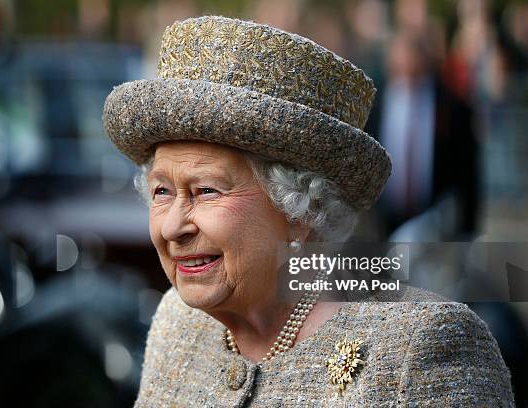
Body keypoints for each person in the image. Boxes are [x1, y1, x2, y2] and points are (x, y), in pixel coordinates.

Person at [103, 16, 514, 407]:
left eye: (206, 191)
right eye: (161, 191)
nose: (172, 226)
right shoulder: (177, 323)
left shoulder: (419, 350)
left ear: (300, 209)